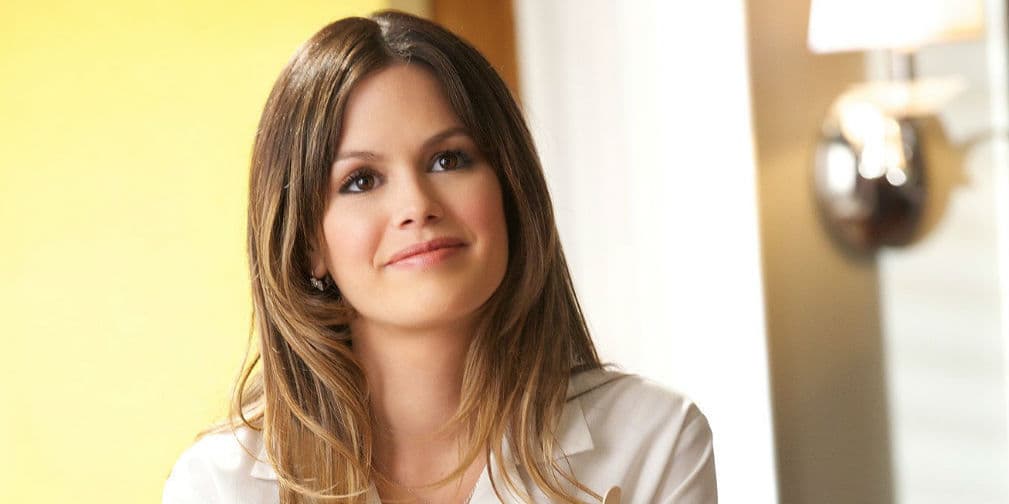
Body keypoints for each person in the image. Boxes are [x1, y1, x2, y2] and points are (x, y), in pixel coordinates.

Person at [163, 10, 717, 504]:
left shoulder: (657, 442)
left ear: (510, 192)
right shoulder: (217, 487)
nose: (416, 206)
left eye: (448, 160)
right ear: (309, 244)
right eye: (361, 180)